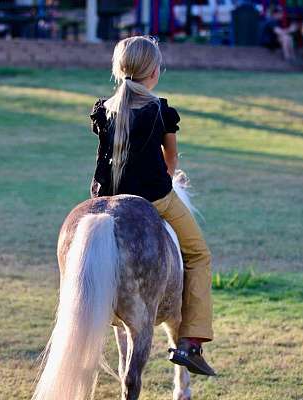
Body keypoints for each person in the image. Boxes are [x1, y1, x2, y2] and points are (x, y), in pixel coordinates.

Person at [88, 35, 216, 376]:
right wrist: (165, 179)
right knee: (199, 255)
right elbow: (170, 160)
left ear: (119, 70)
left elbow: (107, 159)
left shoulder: (104, 109)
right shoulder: (160, 110)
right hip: (157, 198)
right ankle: (190, 343)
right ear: (154, 72)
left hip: (106, 200)